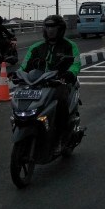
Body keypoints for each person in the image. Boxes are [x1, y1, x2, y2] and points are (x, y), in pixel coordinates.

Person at [19, 14, 81, 150]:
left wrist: (69, 74)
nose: (50, 30)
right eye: (47, 26)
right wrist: (18, 75)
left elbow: (75, 64)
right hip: (39, 84)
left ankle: (63, 135)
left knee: (60, 102)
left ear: (60, 29)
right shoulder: (36, 47)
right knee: (22, 100)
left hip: (61, 83)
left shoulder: (69, 46)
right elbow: (24, 66)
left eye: (53, 27)